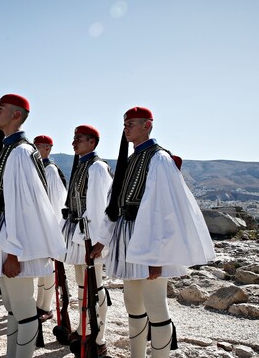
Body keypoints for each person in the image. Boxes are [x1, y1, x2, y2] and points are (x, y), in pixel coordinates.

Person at [92, 107, 215, 358]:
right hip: (128, 238)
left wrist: (156, 257)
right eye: (125, 124)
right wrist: (102, 241)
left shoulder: (159, 159)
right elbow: (115, 204)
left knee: (156, 308)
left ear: (147, 126)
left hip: (150, 241)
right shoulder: (132, 158)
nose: (126, 128)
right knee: (133, 306)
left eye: (132, 124)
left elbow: (163, 211)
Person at [0, 94, 67, 358]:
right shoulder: (9, 149)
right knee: (13, 307)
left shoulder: (20, 152)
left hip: (14, 243)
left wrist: (14, 253)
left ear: (16, 115)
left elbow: (23, 208)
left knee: (23, 311)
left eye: (1, 109)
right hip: (3, 236)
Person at [60, 126, 113, 356]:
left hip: (92, 236)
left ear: (92, 142)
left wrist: (100, 240)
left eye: (79, 139)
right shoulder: (82, 164)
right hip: (79, 233)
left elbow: (101, 207)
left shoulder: (97, 168)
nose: (74, 143)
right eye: (74, 139)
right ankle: (83, 330)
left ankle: (99, 337)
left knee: (96, 285)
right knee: (82, 285)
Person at [32, 135, 67, 335]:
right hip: (39, 227)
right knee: (42, 269)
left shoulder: (50, 171)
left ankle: (45, 306)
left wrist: (52, 232)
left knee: (48, 270)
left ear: (47, 149)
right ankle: (40, 304)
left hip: (48, 226)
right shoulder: (38, 169)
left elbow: (55, 203)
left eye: (39, 147)